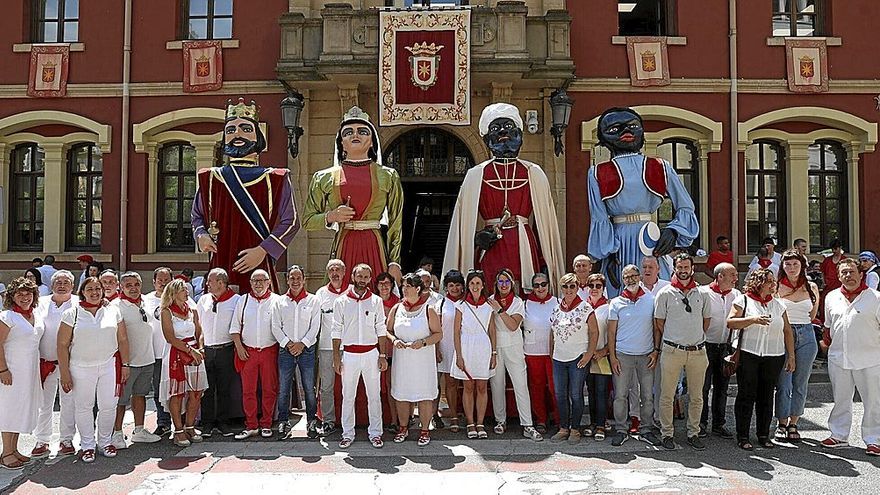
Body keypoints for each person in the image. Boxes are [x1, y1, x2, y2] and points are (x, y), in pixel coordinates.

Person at [444, 103, 565, 292]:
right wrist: (477, 238)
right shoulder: (476, 174)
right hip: (491, 246)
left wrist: (545, 260)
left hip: (524, 244)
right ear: (486, 139)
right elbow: (463, 226)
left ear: (520, 134)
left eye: (509, 127)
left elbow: (544, 224)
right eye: (495, 128)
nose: (502, 132)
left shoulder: (534, 172)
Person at [192, 99, 300, 295]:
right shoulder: (210, 177)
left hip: (258, 261)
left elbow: (291, 221)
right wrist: (201, 234)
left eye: (245, 129)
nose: (237, 135)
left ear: (258, 136)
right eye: (230, 130)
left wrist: (263, 250)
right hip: (221, 260)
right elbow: (196, 215)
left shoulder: (275, 178)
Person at [588, 107, 699, 297]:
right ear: (603, 138)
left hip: (650, 239)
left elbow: (686, 206)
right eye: (615, 129)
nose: (626, 132)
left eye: (633, 126)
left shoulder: (660, 166)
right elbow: (599, 217)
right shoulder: (597, 172)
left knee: (657, 295)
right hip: (619, 243)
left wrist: (673, 230)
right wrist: (608, 253)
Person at [303, 106, 403, 288]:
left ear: (372, 141)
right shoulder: (324, 177)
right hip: (344, 241)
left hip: (375, 244)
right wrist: (331, 216)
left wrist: (394, 261)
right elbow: (307, 221)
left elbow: (396, 221)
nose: (355, 135)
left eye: (362, 131)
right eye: (348, 132)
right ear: (341, 142)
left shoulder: (388, 175)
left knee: (378, 299)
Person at [57, 277, 130, 463]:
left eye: (98, 288)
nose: (95, 292)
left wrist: (126, 365)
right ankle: (87, 445)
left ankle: (105, 442)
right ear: (82, 291)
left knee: (108, 405)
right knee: (84, 407)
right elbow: (62, 345)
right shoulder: (71, 314)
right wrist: (65, 373)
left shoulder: (112, 311)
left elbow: (122, 340)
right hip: (80, 368)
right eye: (90, 289)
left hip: (108, 366)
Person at [727, 268, 795, 450]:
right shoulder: (743, 299)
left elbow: (787, 331)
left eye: (774, 282)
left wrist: (791, 356)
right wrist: (753, 319)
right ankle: (742, 436)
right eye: (769, 281)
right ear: (758, 283)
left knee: (766, 396)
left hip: (774, 355)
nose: (774, 285)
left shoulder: (779, 305)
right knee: (746, 395)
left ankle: (764, 435)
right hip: (749, 354)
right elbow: (730, 322)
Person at [819, 258, 880, 455]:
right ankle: (838, 435)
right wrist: (826, 346)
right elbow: (828, 327)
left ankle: (874, 439)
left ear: (861, 274)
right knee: (841, 399)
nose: (848, 276)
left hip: (870, 358)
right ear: (838, 276)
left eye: (852, 272)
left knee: (873, 401)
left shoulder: (875, 298)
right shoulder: (831, 297)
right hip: (839, 357)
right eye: (844, 273)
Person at [654, 253, 710, 450]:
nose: (683, 271)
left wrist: (691, 336)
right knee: (667, 395)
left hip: (697, 351)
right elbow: (659, 322)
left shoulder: (702, 293)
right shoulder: (665, 293)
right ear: (674, 269)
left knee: (696, 396)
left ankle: (693, 432)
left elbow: (706, 321)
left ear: (692, 268)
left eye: (687, 267)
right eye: (680, 267)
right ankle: (667, 433)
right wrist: (677, 337)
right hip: (672, 350)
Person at [332, 264, 388, 449]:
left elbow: (381, 328)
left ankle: (376, 433)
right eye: (359, 276)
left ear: (369, 279)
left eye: (366, 277)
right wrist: (335, 357)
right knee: (348, 395)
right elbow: (336, 330)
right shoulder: (341, 301)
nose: (362, 280)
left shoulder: (376, 301)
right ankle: (347, 433)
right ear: (353, 277)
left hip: (371, 354)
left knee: (374, 395)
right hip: (349, 354)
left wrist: (382, 354)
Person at [608, 265, 662, 447]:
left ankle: (646, 428)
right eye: (626, 277)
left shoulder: (651, 300)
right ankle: (621, 430)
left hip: (646, 354)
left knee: (647, 395)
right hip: (623, 355)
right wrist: (613, 357)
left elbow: (656, 328)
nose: (630, 279)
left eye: (633, 275)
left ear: (639, 277)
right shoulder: (615, 303)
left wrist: (656, 350)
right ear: (623, 280)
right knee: (620, 395)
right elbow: (611, 333)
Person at [387, 273, 442, 446]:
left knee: (425, 394)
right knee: (402, 393)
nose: (404, 289)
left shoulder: (428, 309)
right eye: (403, 286)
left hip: (423, 360)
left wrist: (424, 342)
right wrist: (394, 340)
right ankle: (403, 427)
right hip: (402, 360)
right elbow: (387, 330)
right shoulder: (397, 309)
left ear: (418, 288)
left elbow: (438, 334)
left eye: (408, 286)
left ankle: (425, 429)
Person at [488, 268, 542, 441]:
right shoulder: (490, 301)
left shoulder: (518, 302)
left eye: (506, 281)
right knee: (497, 384)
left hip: (515, 346)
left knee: (520, 384)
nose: (503, 285)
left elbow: (513, 325)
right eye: (500, 281)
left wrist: (500, 311)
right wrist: (493, 351)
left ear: (512, 284)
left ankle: (527, 424)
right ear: (496, 284)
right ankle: (500, 420)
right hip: (496, 346)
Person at [111, 272, 162, 449]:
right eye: (128, 285)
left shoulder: (147, 301)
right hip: (128, 362)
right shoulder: (116, 306)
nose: (133, 288)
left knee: (140, 395)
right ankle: (116, 433)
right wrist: (123, 362)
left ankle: (139, 430)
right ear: (121, 287)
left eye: (136, 284)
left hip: (147, 358)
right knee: (121, 400)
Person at [31, 270, 78, 458]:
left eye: (66, 282)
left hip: (71, 363)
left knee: (69, 402)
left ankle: (66, 439)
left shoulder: (79, 304)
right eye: (58, 281)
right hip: (45, 362)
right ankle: (41, 440)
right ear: (51, 285)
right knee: (44, 404)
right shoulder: (40, 303)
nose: (62, 285)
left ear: (72, 286)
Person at [774, 250, 820, 444]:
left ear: (802, 266)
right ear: (782, 266)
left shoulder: (811, 287)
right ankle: (781, 423)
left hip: (807, 334)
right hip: (783, 334)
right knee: (784, 383)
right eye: (788, 264)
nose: (791, 268)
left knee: (801, 383)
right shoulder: (776, 287)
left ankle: (794, 423)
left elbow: (812, 315)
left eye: (795, 264)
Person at [271, 265, 320, 439]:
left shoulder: (313, 301)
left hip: (307, 350)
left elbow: (315, 326)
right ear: (287, 280)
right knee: (284, 389)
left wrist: (302, 344)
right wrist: (288, 344)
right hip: (286, 350)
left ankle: (312, 421)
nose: (295, 281)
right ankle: (284, 422)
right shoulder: (279, 302)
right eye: (292, 278)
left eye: (298, 277)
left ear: (304, 279)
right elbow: (275, 326)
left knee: (309, 388)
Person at [549, 273, 598, 444]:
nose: (569, 290)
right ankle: (563, 428)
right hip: (558, 359)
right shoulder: (556, 308)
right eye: (565, 286)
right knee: (560, 395)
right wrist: (551, 353)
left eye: (572, 286)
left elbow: (594, 332)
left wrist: (589, 354)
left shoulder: (586, 308)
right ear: (561, 288)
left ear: (577, 288)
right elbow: (552, 333)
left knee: (576, 395)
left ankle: (575, 429)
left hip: (578, 358)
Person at [158, 279, 208, 447]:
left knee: (196, 392)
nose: (187, 292)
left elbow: (199, 331)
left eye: (187, 290)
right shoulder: (166, 312)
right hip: (176, 353)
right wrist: (189, 350)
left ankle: (190, 426)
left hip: (195, 353)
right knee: (177, 393)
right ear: (173, 293)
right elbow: (170, 337)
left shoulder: (192, 310)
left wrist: (200, 348)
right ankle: (178, 430)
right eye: (183, 290)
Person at [230, 269, 279, 440]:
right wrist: (239, 347)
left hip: (269, 351)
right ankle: (251, 425)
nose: (258, 284)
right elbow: (234, 328)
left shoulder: (277, 301)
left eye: (261, 280)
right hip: (248, 352)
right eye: (254, 281)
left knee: (269, 389)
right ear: (250, 283)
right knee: (248, 391)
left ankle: (266, 424)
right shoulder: (243, 301)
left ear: (268, 282)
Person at [0, 278, 42, 469]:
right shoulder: (7, 317)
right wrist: (3, 369)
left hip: (29, 371)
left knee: (20, 409)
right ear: (11, 296)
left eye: (28, 294)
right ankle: (6, 453)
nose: (24, 297)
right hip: (11, 371)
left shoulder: (34, 314)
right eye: (20, 294)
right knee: (9, 410)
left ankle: (14, 449)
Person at [450, 270, 497, 440]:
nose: (475, 286)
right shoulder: (461, 306)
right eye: (472, 283)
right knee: (468, 387)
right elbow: (456, 333)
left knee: (482, 387)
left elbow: (492, 330)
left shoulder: (489, 305)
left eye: (478, 283)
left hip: (483, 347)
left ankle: (480, 422)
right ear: (467, 286)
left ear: (483, 285)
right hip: (466, 346)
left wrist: (493, 353)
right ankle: (470, 423)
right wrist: (459, 356)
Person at [195, 268, 241, 437]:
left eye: (210, 281)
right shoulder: (203, 300)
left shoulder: (236, 300)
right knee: (206, 389)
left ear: (221, 283)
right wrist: (199, 346)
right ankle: (207, 423)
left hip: (226, 349)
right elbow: (198, 325)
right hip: (206, 349)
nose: (206, 284)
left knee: (224, 388)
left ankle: (223, 422)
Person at [698, 262, 741, 439]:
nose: (736, 279)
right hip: (706, 346)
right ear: (720, 276)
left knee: (722, 388)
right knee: (702, 387)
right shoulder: (702, 293)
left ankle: (718, 424)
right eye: (732, 275)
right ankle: (700, 424)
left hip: (725, 347)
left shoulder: (736, 295)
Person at [522, 272, 558, 434]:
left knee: (554, 387)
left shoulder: (556, 302)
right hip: (532, 352)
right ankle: (541, 419)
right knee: (536, 387)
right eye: (536, 285)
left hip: (552, 353)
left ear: (548, 285)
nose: (540, 288)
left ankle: (559, 418)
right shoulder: (526, 304)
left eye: (543, 284)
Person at [315, 259, 347, 436]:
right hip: (326, 347)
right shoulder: (320, 293)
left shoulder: (351, 291)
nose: (335, 273)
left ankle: (349, 420)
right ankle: (328, 421)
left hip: (349, 347)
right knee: (326, 387)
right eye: (331, 270)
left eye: (338, 270)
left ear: (344, 272)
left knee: (349, 386)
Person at [143, 267, 174, 437]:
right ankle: (163, 423)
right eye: (159, 280)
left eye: (166, 279)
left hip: (175, 352)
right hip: (153, 353)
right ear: (154, 282)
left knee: (177, 390)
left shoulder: (180, 298)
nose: (163, 283)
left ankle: (181, 423)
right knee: (158, 390)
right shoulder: (145, 300)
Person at [583, 273, 612, 441]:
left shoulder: (608, 308)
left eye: (598, 286)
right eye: (591, 286)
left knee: (601, 391)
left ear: (603, 288)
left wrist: (604, 351)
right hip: (586, 355)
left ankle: (601, 425)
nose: (594, 289)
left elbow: (613, 335)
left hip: (602, 355)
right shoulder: (583, 307)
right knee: (591, 391)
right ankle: (593, 423)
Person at [436, 270, 465, 432]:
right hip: (446, 347)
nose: (454, 288)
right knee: (451, 384)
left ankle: (468, 416)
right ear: (446, 287)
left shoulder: (467, 302)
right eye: (451, 285)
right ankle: (454, 417)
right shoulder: (440, 303)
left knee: (468, 384)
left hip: (466, 346)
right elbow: (437, 328)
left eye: (458, 285)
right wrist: (437, 349)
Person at [376, 272, 402, 434]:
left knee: (392, 385)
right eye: (381, 283)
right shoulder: (371, 303)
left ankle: (395, 420)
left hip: (394, 351)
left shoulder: (399, 304)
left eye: (387, 283)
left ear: (392, 285)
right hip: (373, 350)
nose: (384, 286)